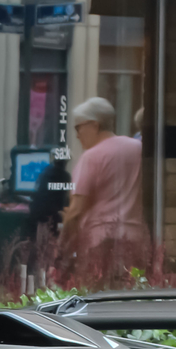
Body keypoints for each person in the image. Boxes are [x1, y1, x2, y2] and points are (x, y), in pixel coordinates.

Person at [58, 97, 153, 287]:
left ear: (94, 125)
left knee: (98, 296)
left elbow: (76, 210)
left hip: (101, 242)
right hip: (136, 239)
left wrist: (61, 246)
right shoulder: (138, 148)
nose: (77, 135)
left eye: (78, 128)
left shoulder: (91, 157)